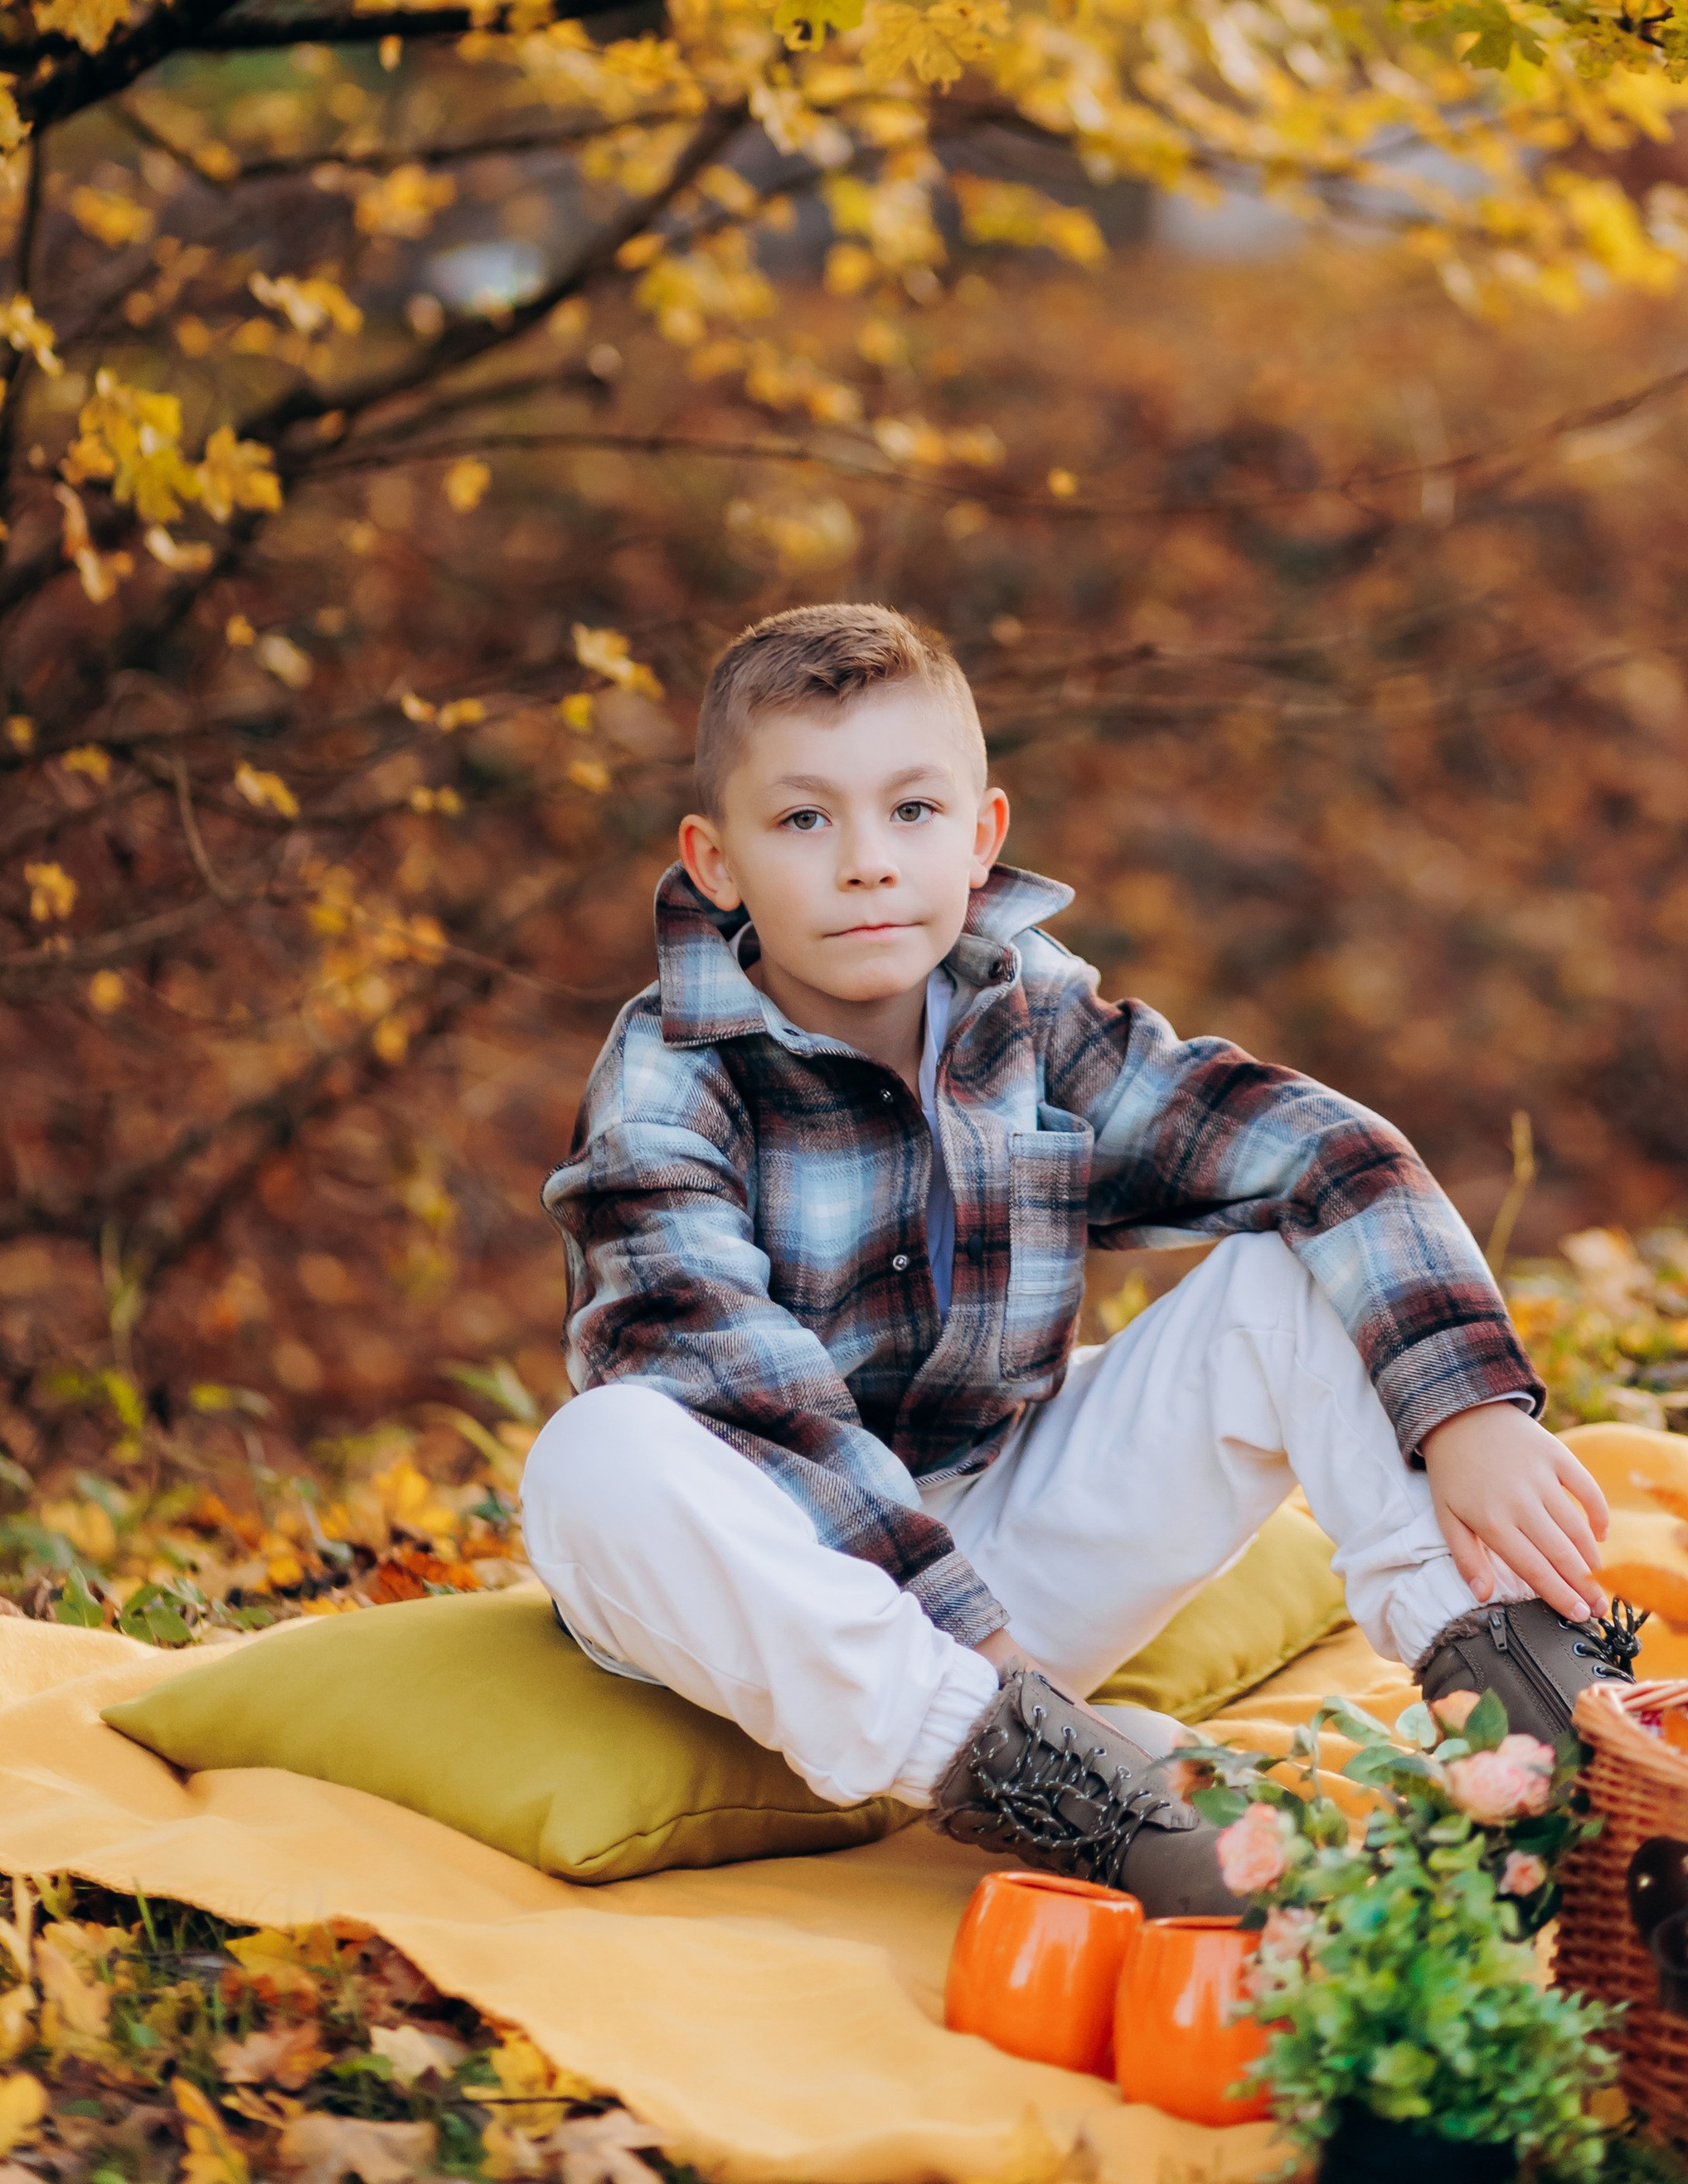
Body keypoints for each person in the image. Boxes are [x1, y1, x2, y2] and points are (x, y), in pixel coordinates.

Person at [523, 602, 1608, 1913]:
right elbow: (754, 1407)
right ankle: (1101, 1808)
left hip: (1005, 1558)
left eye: (912, 812)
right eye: (807, 820)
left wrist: (1468, 1410)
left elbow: (1314, 1150)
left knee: (1285, 1275)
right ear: (717, 862)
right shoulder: (665, 1091)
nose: (868, 862)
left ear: (982, 837)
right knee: (599, 1455)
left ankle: (1540, 1713)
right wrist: (988, 1659)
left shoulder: (1023, 1015)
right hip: (773, 1597)